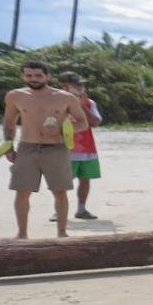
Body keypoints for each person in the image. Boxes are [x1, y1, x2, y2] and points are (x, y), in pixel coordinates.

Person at [1, 60, 88, 239]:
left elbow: (83, 123)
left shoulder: (65, 97)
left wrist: (62, 132)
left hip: (56, 148)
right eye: (29, 75)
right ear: (22, 76)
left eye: (38, 75)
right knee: (22, 191)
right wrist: (8, 145)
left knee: (60, 191)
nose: (34, 79)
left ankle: (62, 233)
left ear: (47, 76)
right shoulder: (14, 96)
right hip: (27, 147)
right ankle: (22, 234)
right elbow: (9, 123)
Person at [57, 72, 102, 220]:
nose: (80, 88)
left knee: (85, 179)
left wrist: (83, 106)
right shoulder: (55, 102)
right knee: (61, 181)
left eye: (81, 85)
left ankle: (81, 209)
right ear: (64, 86)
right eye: (76, 85)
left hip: (87, 148)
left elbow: (95, 122)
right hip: (64, 149)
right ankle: (58, 210)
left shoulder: (90, 103)